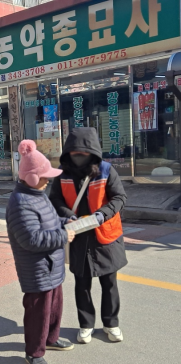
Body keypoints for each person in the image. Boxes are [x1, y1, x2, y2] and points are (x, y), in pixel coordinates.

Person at [49, 127, 128, 344]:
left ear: (92, 152)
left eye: (83, 153)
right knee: (81, 284)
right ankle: (86, 325)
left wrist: (102, 214)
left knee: (109, 283)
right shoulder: (62, 173)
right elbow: (55, 199)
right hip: (78, 236)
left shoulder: (106, 170)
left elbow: (120, 197)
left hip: (105, 235)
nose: (78, 157)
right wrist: (68, 216)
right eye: (74, 153)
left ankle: (111, 324)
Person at [6, 140, 75, 364]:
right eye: (45, 177)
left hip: (51, 263)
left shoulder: (38, 194)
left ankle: (51, 339)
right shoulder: (20, 202)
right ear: (32, 177)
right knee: (39, 312)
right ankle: (34, 352)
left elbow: (51, 221)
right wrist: (63, 235)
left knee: (54, 306)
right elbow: (31, 239)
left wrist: (66, 222)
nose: (48, 180)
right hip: (37, 268)